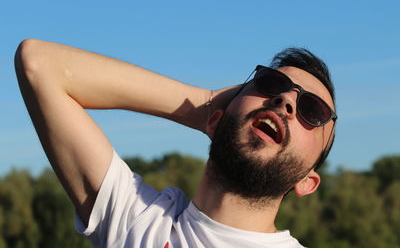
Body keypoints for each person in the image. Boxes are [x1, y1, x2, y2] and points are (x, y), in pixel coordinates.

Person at [15, 39, 337, 248]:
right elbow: (39, 64)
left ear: (307, 182)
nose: (285, 101)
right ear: (214, 121)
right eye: (271, 83)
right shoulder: (140, 222)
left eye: (313, 111)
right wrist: (207, 104)